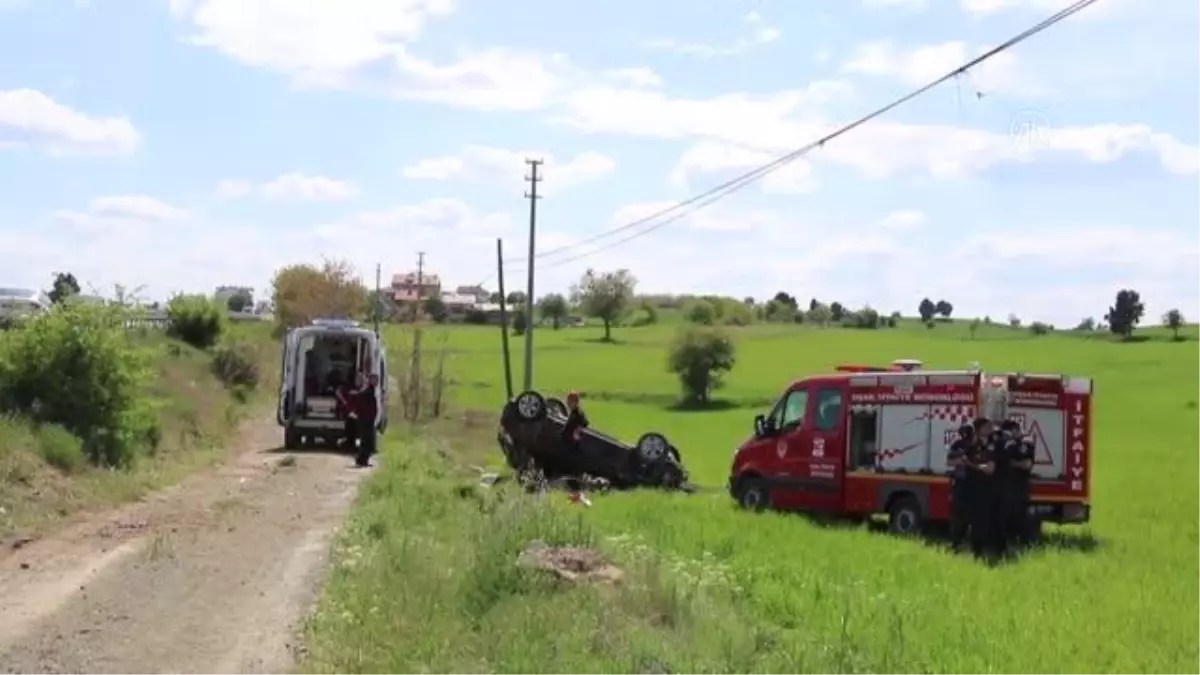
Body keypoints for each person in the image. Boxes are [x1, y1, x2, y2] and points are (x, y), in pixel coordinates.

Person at [998, 419, 1036, 549]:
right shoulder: (1005, 443)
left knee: (1021, 517)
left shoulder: (1025, 443)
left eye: (1008, 432)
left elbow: (1026, 464)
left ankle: (1024, 544)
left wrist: (1010, 463)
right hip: (1006, 488)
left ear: (1015, 430)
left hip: (1019, 488)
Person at [966, 417, 998, 559]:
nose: (990, 428)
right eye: (987, 426)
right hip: (975, 486)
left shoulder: (994, 443)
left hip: (991, 486)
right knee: (976, 519)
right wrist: (979, 467)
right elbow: (964, 461)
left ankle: (989, 547)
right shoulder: (971, 444)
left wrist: (992, 465)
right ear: (980, 429)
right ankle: (976, 550)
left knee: (990, 518)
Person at [946, 424, 975, 551]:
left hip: (973, 483)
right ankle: (956, 542)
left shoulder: (975, 445)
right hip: (960, 482)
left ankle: (968, 540)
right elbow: (949, 461)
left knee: (971, 514)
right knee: (958, 514)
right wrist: (961, 461)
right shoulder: (957, 445)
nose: (964, 436)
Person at [354, 373, 379, 468]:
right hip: (366, 419)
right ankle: (361, 460)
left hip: (368, 419)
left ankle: (363, 460)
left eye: (377, 380)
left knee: (368, 441)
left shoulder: (371, 390)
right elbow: (361, 402)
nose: (376, 382)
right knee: (366, 441)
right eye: (374, 379)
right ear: (370, 380)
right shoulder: (367, 391)